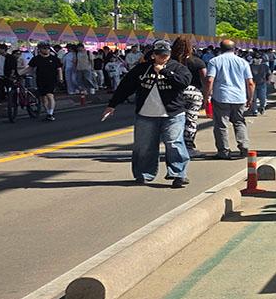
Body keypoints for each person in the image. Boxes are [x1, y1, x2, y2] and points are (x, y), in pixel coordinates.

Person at [103, 40, 193, 188]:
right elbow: (126, 86)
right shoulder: (142, 69)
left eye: (165, 55)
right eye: (158, 54)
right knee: (144, 146)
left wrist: (163, 71)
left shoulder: (178, 68)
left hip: (173, 114)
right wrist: (112, 105)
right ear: (153, 54)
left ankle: (179, 174)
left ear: (169, 54)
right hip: (146, 114)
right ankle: (144, 174)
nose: (162, 57)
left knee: (174, 143)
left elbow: (183, 82)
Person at [205, 39, 255, 160]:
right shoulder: (243, 62)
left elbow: (210, 80)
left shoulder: (214, 61)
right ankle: (244, 146)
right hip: (239, 97)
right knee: (239, 122)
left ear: (220, 48)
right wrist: (250, 98)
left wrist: (207, 96)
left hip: (221, 96)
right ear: (235, 49)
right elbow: (250, 83)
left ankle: (224, 151)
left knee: (221, 125)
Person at [171, 36, 207, 156]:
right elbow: (205, 79)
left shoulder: (171, 61)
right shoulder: (197, 61)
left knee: (175, 119)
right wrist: (207, 95)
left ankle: (175, 143)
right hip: (194, 93)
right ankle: (189, 145)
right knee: (191, 119)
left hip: (176, 92)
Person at [27, 42, 62, 120]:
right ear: (40, 49)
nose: (46, 50)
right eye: (44, 48)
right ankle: (47, 111)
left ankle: (50, 113)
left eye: (48, 48)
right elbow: (30, 68)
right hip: (40, 80)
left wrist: (60, 78)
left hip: (51, 79)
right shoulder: (36, 59)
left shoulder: (54, 59)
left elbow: (59, 68)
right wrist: (20, 72)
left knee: (50, 95)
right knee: (43, 97)